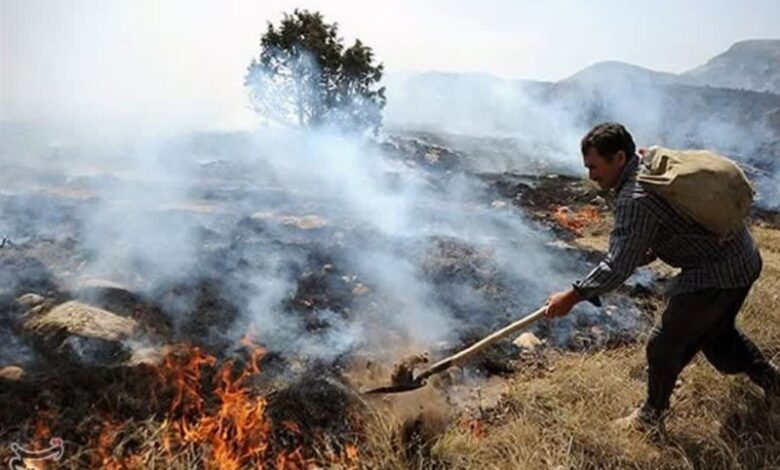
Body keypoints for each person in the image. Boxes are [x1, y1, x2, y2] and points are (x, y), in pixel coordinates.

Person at [545, 122, 779, 435]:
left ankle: (650, 417)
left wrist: (572, 297)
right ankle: (774, 383)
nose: (591, 176)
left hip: (717, 273)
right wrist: (649, 247)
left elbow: (617, 266)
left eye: (594, 167)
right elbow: (675, 221)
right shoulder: (652, 164)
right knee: (718, 337)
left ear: (618, 157)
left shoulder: (634, 198)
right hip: (743, 258)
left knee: (663, 344)